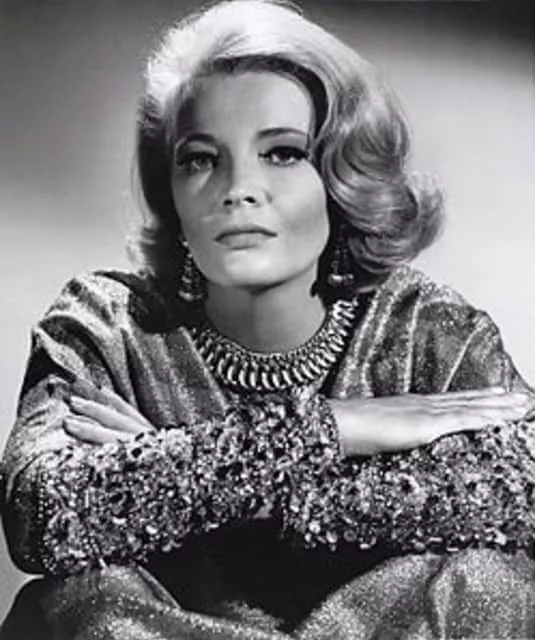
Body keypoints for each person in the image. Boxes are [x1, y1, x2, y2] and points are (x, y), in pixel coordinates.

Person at [1, 0, 535, 638]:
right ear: (170, 192)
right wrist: (330, 429)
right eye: (201, 159)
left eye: (281, 153)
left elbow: (523, 493)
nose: (237, 190)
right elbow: (42, 517)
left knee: (490, 581)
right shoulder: (107, 325)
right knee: (83, 597)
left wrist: (203, 480)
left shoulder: (429, 329)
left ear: (342, 177)